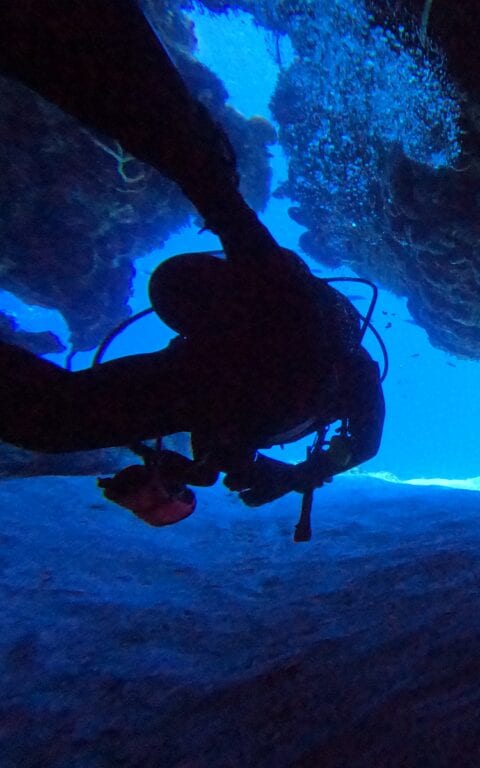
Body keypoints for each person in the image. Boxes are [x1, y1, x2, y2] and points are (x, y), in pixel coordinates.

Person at [0, 0, 385, 530]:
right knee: (51, 422)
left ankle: (193, 161)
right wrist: (293, 475)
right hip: (287, 339)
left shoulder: (221, 367)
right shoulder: (274, 345)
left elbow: (341, 435)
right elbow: (361, 433)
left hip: (277, 339)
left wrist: (204, 472)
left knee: (51, 421)